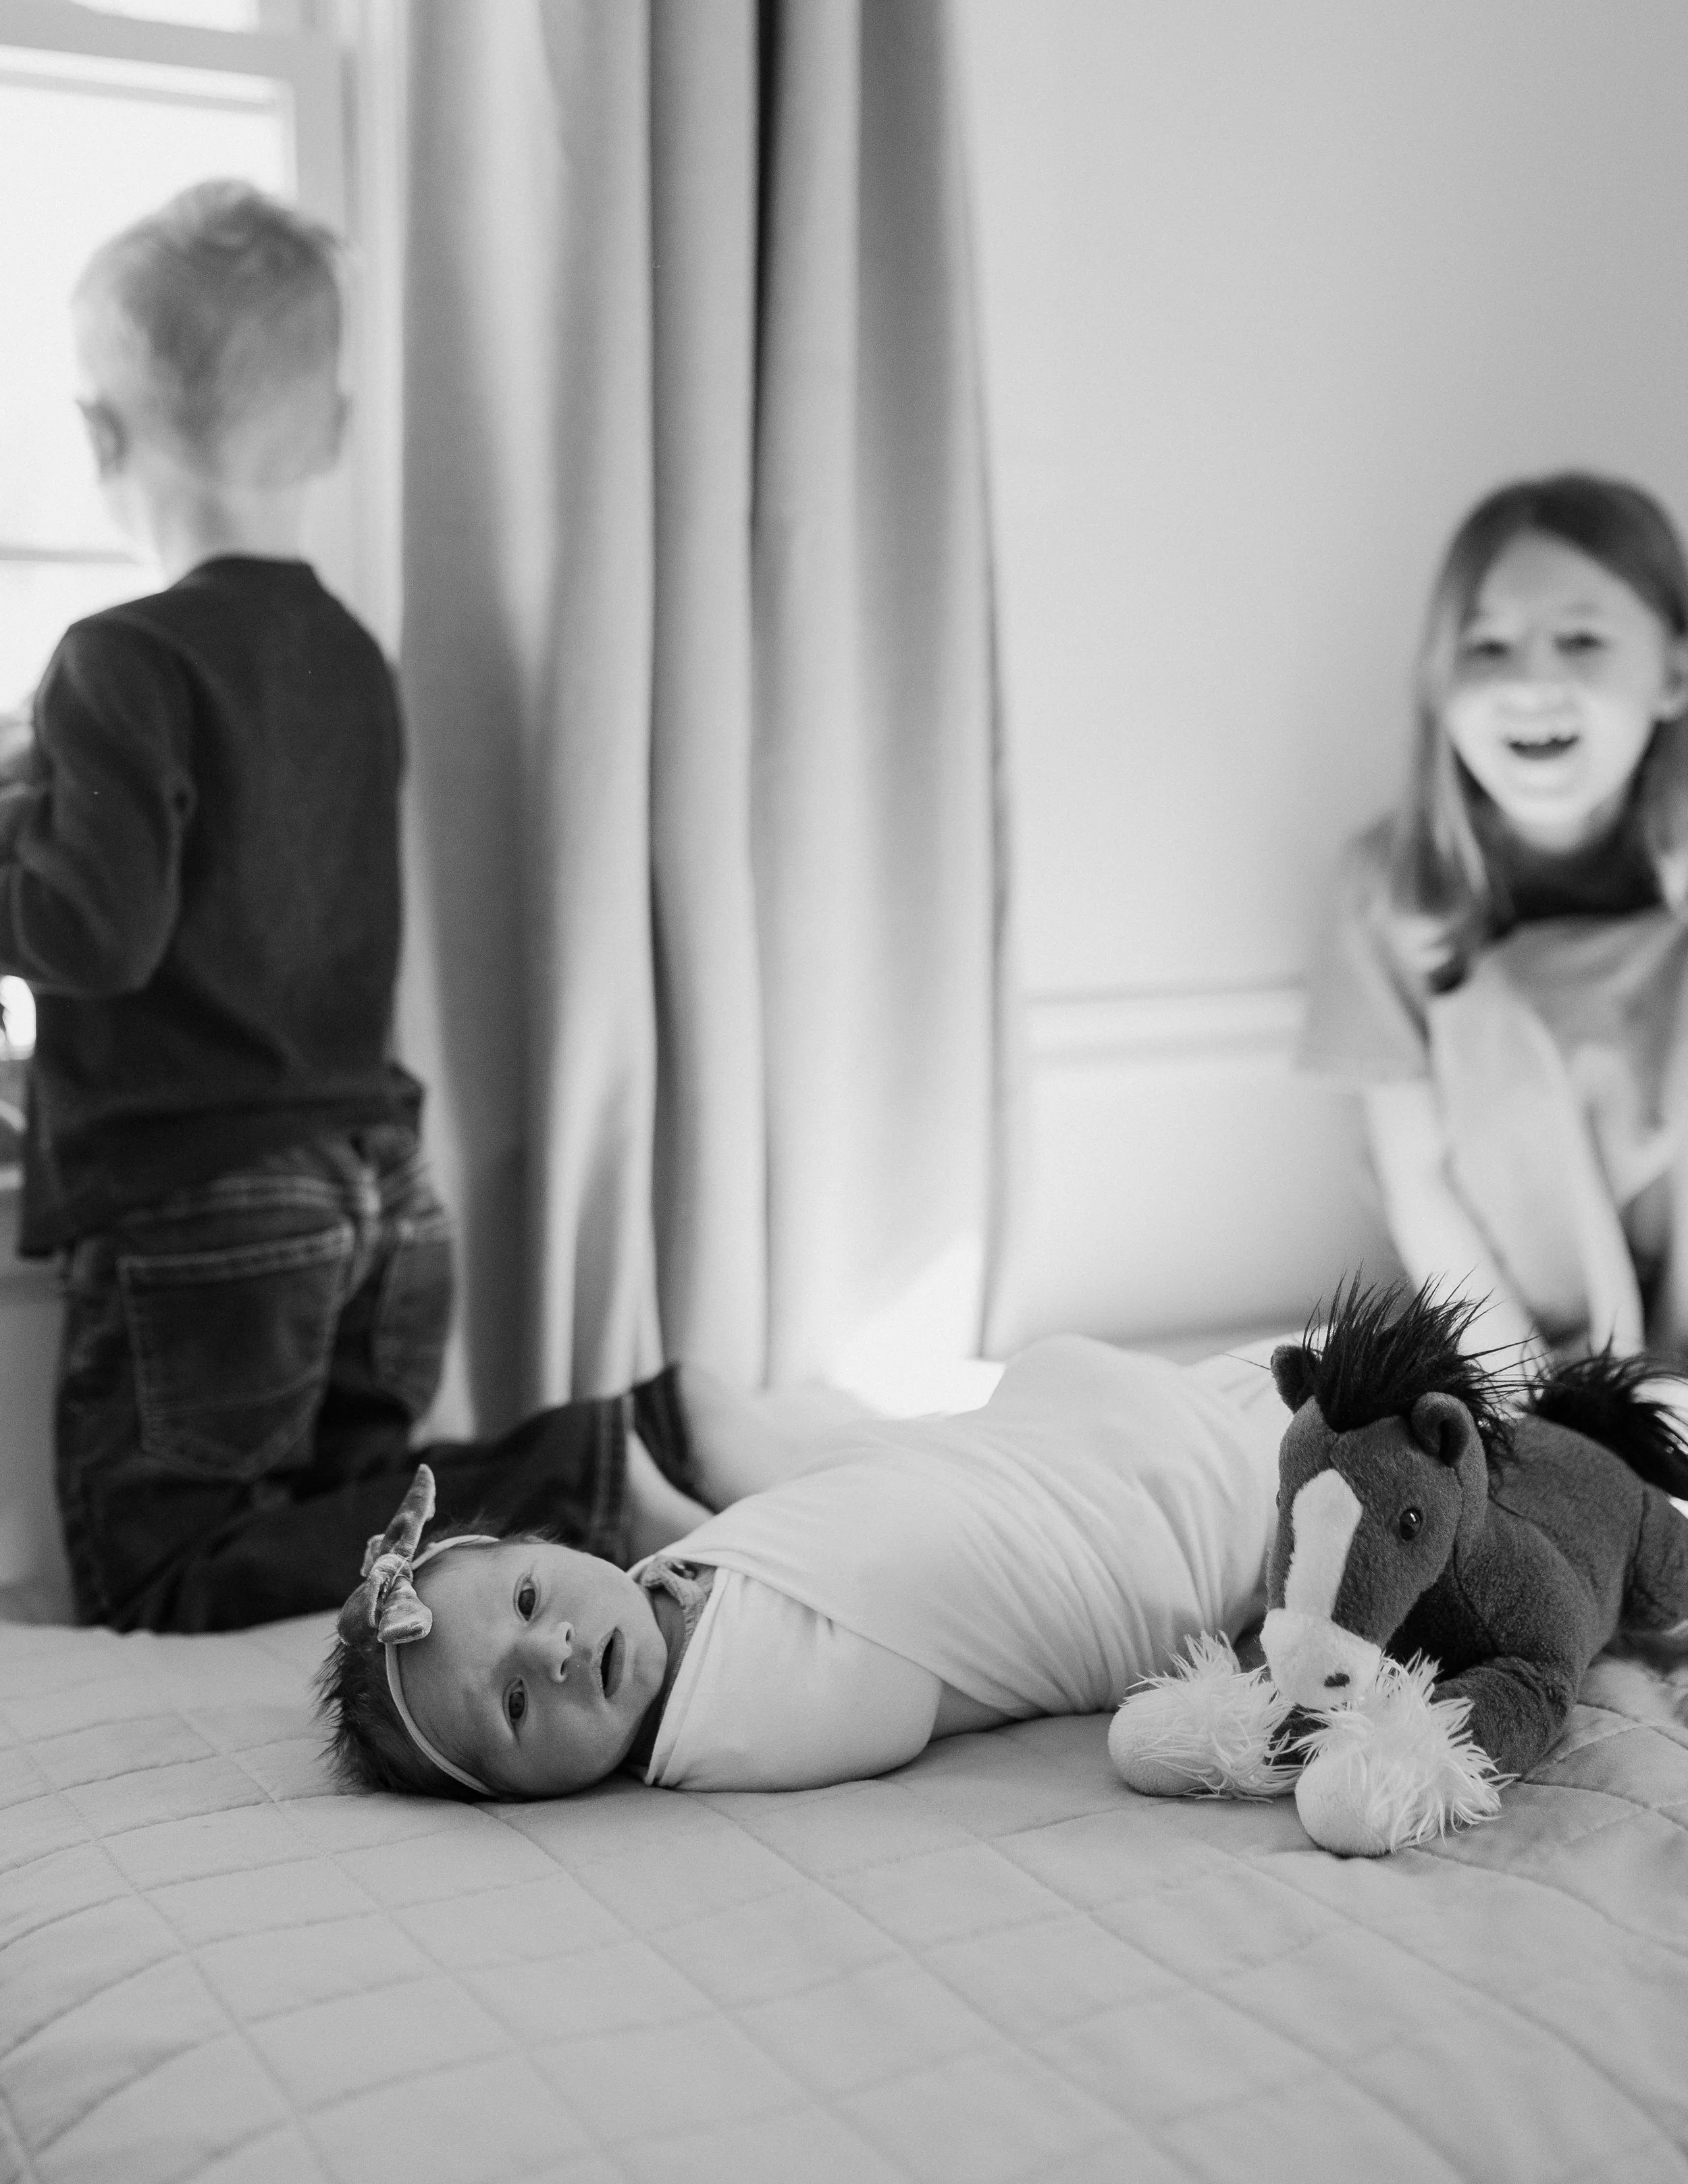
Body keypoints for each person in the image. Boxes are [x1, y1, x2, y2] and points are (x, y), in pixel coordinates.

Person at [0, 179, 739, 1632]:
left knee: (169, 1570)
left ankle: (583, 1470)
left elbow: (96, 929)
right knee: (373, 1543)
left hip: (214, 1206)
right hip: (386, 1191)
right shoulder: (348, 655)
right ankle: (623, 1448)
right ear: (334, 426)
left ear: (96, 435)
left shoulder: (114, 657)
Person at [318, 1334, 1290, 1800]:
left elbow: (824, 1514)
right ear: (520, 1795)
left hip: (1046, 1454)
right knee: (1248, 1467)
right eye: (515, 1704)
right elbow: (889, 1647)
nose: (554, 1649)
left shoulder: (660, 1590)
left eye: (528, 1596)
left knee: (1240, 1389)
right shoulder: (724, 1722)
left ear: (553, 1541)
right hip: (1117, 1553)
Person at [1300, 472, 1688, 1379]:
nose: (1530, 682)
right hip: (1518, 1319)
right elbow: (1418, 1180)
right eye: (1487, 646)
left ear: (1674, 674)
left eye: (1582, 640)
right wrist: (1526, 1397)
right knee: (1491, 1010)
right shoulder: (1390, 891)